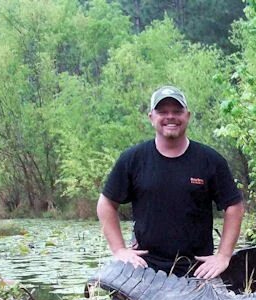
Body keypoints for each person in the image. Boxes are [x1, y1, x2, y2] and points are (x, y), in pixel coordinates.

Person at [97, 85, 245, 280]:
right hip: (145, 270)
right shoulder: (133, 159)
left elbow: (234, 206)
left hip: (197, 271)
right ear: (151, 117)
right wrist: (119, 250)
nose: (170, 117)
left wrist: (223, 256)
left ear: (188, 116)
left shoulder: (210, 160)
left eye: (177, 111)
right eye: (163, 111)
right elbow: (106, 203)